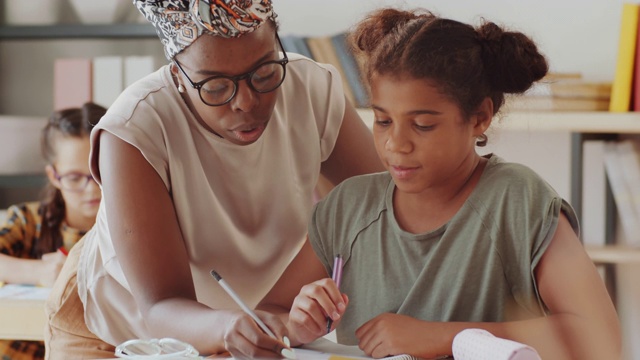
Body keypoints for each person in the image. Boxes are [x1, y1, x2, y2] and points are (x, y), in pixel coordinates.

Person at [258, 8, 622, 360]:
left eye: (423, 125)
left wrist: (438, 336)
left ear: (479, 117)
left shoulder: (517, 200)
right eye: (383, 121)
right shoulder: (347, 208)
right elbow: (267, 315)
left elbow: (598, 338)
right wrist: (295, 324)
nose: (395, 144)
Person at [43, 1, 382, 359]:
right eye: (216, 87)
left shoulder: (312, 88)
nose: (247, 102)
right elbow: (161, 305)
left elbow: (385, 204)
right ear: (177, 73)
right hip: (114, 326)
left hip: (243, 322)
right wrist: (235, 326)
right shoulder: (133, 130)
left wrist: (278, 314)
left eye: (265, 72)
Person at [0, 102, 104, 360]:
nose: (90, 189)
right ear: (54, 176)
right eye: (74, 178)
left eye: (99, 172)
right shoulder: (27, 220)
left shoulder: (133, 228)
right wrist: (41, 271)